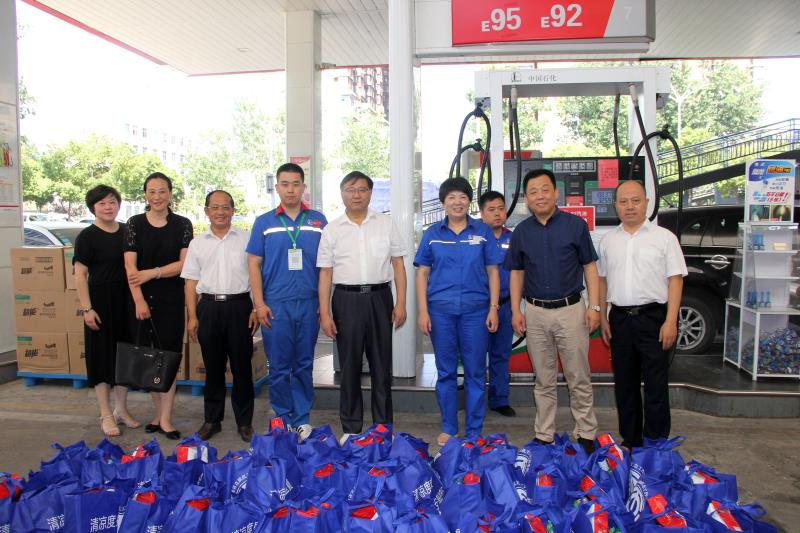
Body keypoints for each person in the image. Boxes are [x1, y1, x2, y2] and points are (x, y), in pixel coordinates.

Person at [505, 169, 600, 454]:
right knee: (543, 378)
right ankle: (544, 434)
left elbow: (590, 267)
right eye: (533, 192)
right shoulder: (522, 232)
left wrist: (595, 306)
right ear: (526, 198)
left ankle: (586, 432)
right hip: (535, 312)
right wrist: (516, 310)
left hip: (572, 310)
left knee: (578, 376)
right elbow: (516, 273)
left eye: (545, 189)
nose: (540, 196)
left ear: (556, 193)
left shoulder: (575, 226)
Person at [317, 171, 407, 443]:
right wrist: (325, 313)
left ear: (370, 193)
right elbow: (325, 274)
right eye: (350, 189)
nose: (356, 195)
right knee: (349, 367)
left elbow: (398, 265)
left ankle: (383, 428)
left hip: (380, 298)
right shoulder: (332, 229)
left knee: (381, 366)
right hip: (346, 301)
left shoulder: (386, 224)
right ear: (342, 193)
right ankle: (351, 428)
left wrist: (401, 303)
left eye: (362, 189)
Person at [598, 180, 687, 449]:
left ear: (646, 203)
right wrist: (602, 317)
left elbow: (675, 280)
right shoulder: (608, 241)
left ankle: (655, 443)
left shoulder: (664, 238)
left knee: (655, 385)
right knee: (625, 385)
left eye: (635, 200)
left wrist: (670, 321)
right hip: (620, 319)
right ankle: (631, 440)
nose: (630, 206)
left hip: (654, 319)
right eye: (623, 201)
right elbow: (602, 281)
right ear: (616, 206)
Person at [414, 177, 501, 447]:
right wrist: (423, 312)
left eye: (462, 197)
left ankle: (474, 430)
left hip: (476, 312)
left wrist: (494, 308)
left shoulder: (483, 231)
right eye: (451, 197)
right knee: (446, 371)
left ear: (469, 201)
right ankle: (449, 427)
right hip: (441, 312)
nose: (457, 202)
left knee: (475, 372)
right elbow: (422, 273)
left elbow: (493, 271)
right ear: (443, 203)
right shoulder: (432, 234)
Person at [247, 163, 327, 441]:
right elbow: (253, 264)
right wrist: (259, 304)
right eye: (285, 184)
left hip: (308, 303)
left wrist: (323, 304)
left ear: (303, 187)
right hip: (275, 305)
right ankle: (282, 418)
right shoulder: (264, 223)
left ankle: (302, 419)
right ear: (277, 187)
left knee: (304, 364)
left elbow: (327, 267)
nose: (290, 189)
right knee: (279, 366)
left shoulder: (318, 222)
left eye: (295, 184)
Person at [181, 190, 258, 443]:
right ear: (207, 211)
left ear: (233, 210)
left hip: (240, 307)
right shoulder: (197, 243)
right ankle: (212, 420)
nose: (220, 212)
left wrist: (256, 308)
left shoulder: (247, 239)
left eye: (225, 207)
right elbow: (190, 282)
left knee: (242, 368)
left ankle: (244, 422)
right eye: (215, 207)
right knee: (213, 368)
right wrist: (192, 316)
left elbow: (257, 276)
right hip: (209, 308)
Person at [124, 172, 193, 440]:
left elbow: (184, 264)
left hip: (170, 300)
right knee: (149, 359)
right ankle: (157, 414)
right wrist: (139, 300)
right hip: (141, 300)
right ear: (145, 194)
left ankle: (166, 418)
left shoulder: (182, 224)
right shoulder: (134, 224)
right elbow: (129, 266)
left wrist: (153, 273)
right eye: (151, 191)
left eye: (162, 191)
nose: (157, 197)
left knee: (169, 357)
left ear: (170, 193)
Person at [73, 185, 140, 437]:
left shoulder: (126, 232)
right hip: (99, 303)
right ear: (93, 208)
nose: (108, 207)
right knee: (101, 358)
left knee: (124, 357)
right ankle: (105, 413)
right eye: (102, 203)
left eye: (112, 202)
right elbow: (80, 274)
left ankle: (121, 409)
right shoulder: (87, 236)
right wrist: (87, 308)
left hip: (126, 301)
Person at [479, 190, 516, 417]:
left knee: (501, 354)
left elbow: (520, 273)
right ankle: (474, 400)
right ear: (482, 213)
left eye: (501, 209)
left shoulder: (513, 239)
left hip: (505, 306)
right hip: (478, 308)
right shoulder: (475, 239)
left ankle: (499, 399)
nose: (497, 214)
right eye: (491, 210)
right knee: (474, 356)